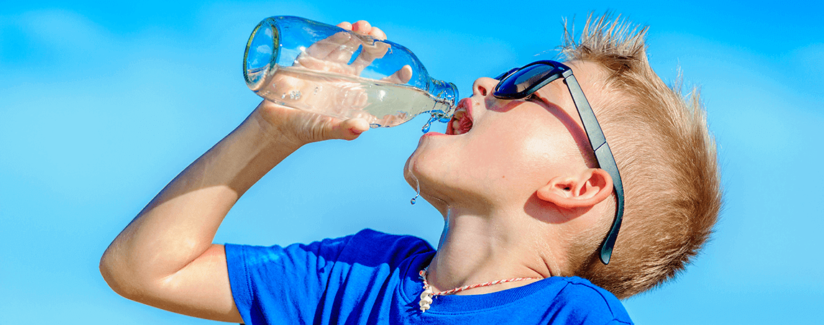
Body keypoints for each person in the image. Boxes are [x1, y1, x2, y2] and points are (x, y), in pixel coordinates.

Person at [100, 13, 721, 324]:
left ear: (575, 186)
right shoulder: (360, 275)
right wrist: (272, 130)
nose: (486, 83)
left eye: (528, 86)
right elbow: (144, 267)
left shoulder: (566, 314)